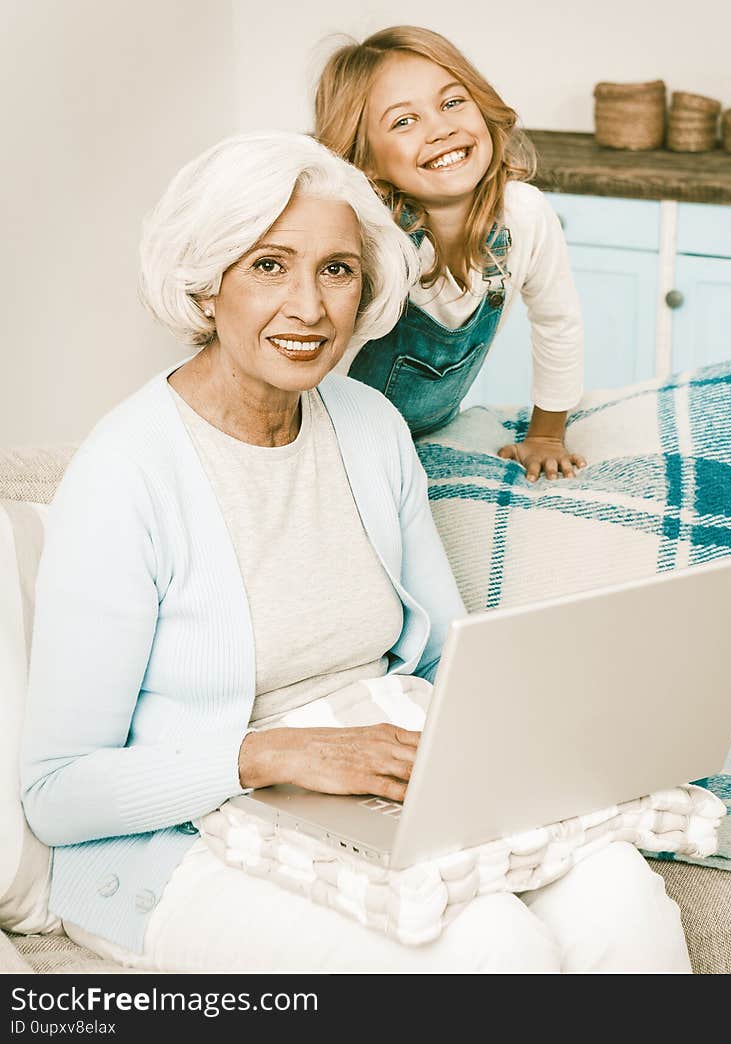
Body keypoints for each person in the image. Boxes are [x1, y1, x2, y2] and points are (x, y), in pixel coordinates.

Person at [20, 131, 691, 973]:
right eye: (269, 265)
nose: (309, 306)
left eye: (336, 269)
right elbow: (56, 792)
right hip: (183, 842)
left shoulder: (369, 425)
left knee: (619, 895)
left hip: (377, 792)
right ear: (206, 279)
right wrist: (278, 755)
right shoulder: (124, 475)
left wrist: (547, 735)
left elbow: (450, 659)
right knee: (490, 946)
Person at [315, 25, 587, 482]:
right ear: (363, 159)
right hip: (338, 437)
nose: (441, 129)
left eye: (451, 102)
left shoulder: (524, 215)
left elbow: (558, 323)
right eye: (404, 121)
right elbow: (325, 360)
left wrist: (546, 435)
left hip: (434, 430)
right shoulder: (370, 239)